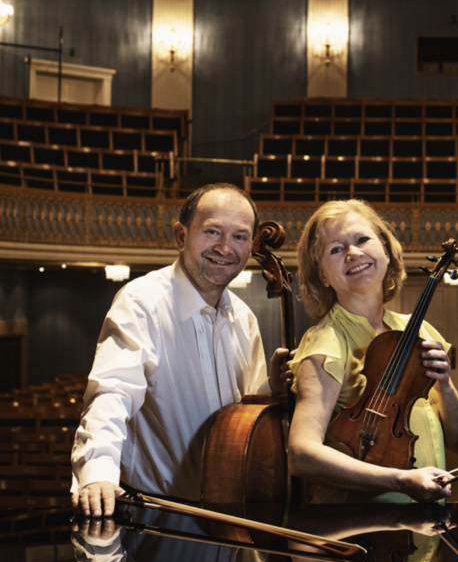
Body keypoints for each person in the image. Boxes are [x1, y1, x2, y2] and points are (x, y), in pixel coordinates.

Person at [71, 183, 292, 517]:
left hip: (227, 513)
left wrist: (270, 388)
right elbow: (112, 393)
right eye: (213, 231)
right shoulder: (141, 302)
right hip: (157, 516)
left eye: (240, 236)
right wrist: (98, 473)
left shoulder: (245, 319)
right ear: (180, 235)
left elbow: (244, 411)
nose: (225, 247)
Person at [287, 199, 458, 503]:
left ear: (385, 250)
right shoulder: (326, 342)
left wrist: (446, 386)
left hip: (424, 527)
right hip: (361, 528)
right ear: (322, 275)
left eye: (362, 239)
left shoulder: (417, 330)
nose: (353, 253)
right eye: (336, 249)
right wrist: (400, 480)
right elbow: (302, 455)